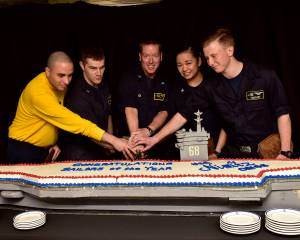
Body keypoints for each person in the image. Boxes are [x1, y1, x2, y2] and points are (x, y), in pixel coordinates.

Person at [136, 28, 293, 159]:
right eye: (207, 58)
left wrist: (285, 152)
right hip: (234, 157)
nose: (210, 62)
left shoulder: (265, 76)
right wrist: (153, 139)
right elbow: (183, 115)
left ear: (230, 50)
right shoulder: (211, 87)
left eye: (213, 56)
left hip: (269, 156)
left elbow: (283, 115)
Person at [7, 51, 134, 164]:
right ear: (47, 72)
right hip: (22, 150)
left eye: (70, 75)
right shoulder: (38, 93)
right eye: (61, 75)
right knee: (19, 192)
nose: (67, 81)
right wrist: (114, 141)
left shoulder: (59, 84)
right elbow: (75, 122)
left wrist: (50, 144)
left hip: (43, 150)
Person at [132, 44, 226, 158]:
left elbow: (227, 123)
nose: (184, 69)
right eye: (179, 65)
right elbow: (170, 119)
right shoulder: (175, 90)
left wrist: (217, 152)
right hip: (181, 156)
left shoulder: (214, 86)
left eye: (188, 63)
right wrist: (149, 137)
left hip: (213, 154)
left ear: (199, 61)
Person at [117, 39, 171, 159]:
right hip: (132, 144)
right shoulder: (128, 78)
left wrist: (148, 130)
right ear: (140, 56)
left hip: (158, 144)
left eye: (155, 56)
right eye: (146, 56)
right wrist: (137, 142)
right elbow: (131, 109)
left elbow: (164, 111)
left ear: (161, 56)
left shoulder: (167, 80)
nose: (151, 61)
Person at [58, 47, 114, 160]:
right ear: (82, 66)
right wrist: (115, 144)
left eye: (102, 67)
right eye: (93, 68)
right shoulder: (76, 96)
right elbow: (90, 135)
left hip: (102, 150)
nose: (99, 73)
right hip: (79, 156)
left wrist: (112, 140)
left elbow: (108, 113)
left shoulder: (103, 84)